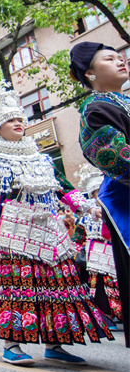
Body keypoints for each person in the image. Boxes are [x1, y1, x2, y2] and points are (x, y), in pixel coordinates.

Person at [0, 81, 113, 366]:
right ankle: (12, 344)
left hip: (50, 229)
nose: (18, 122)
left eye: (21, 118)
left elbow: (63, 188)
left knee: (56, 286)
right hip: (13, 232)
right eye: (11, 119)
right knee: (17, 287)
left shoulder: (42, 157)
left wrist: (89, 206)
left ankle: (55, 343)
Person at [69, 41, 130, 347]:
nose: (121, 61)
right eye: (110, 58)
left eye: (121, 56)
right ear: (90, 73)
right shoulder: (95, 110)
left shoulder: (124, 103)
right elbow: (118, 159)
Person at [72, 163, 121, 326]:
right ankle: (106, 317)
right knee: (99, 288)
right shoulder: (87, 217)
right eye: (96, 193)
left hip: (115, 254)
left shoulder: (117, 209)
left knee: (117, 283)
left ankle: (121, 314)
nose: (98, 196)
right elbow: (77, 238)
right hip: (95, 258)